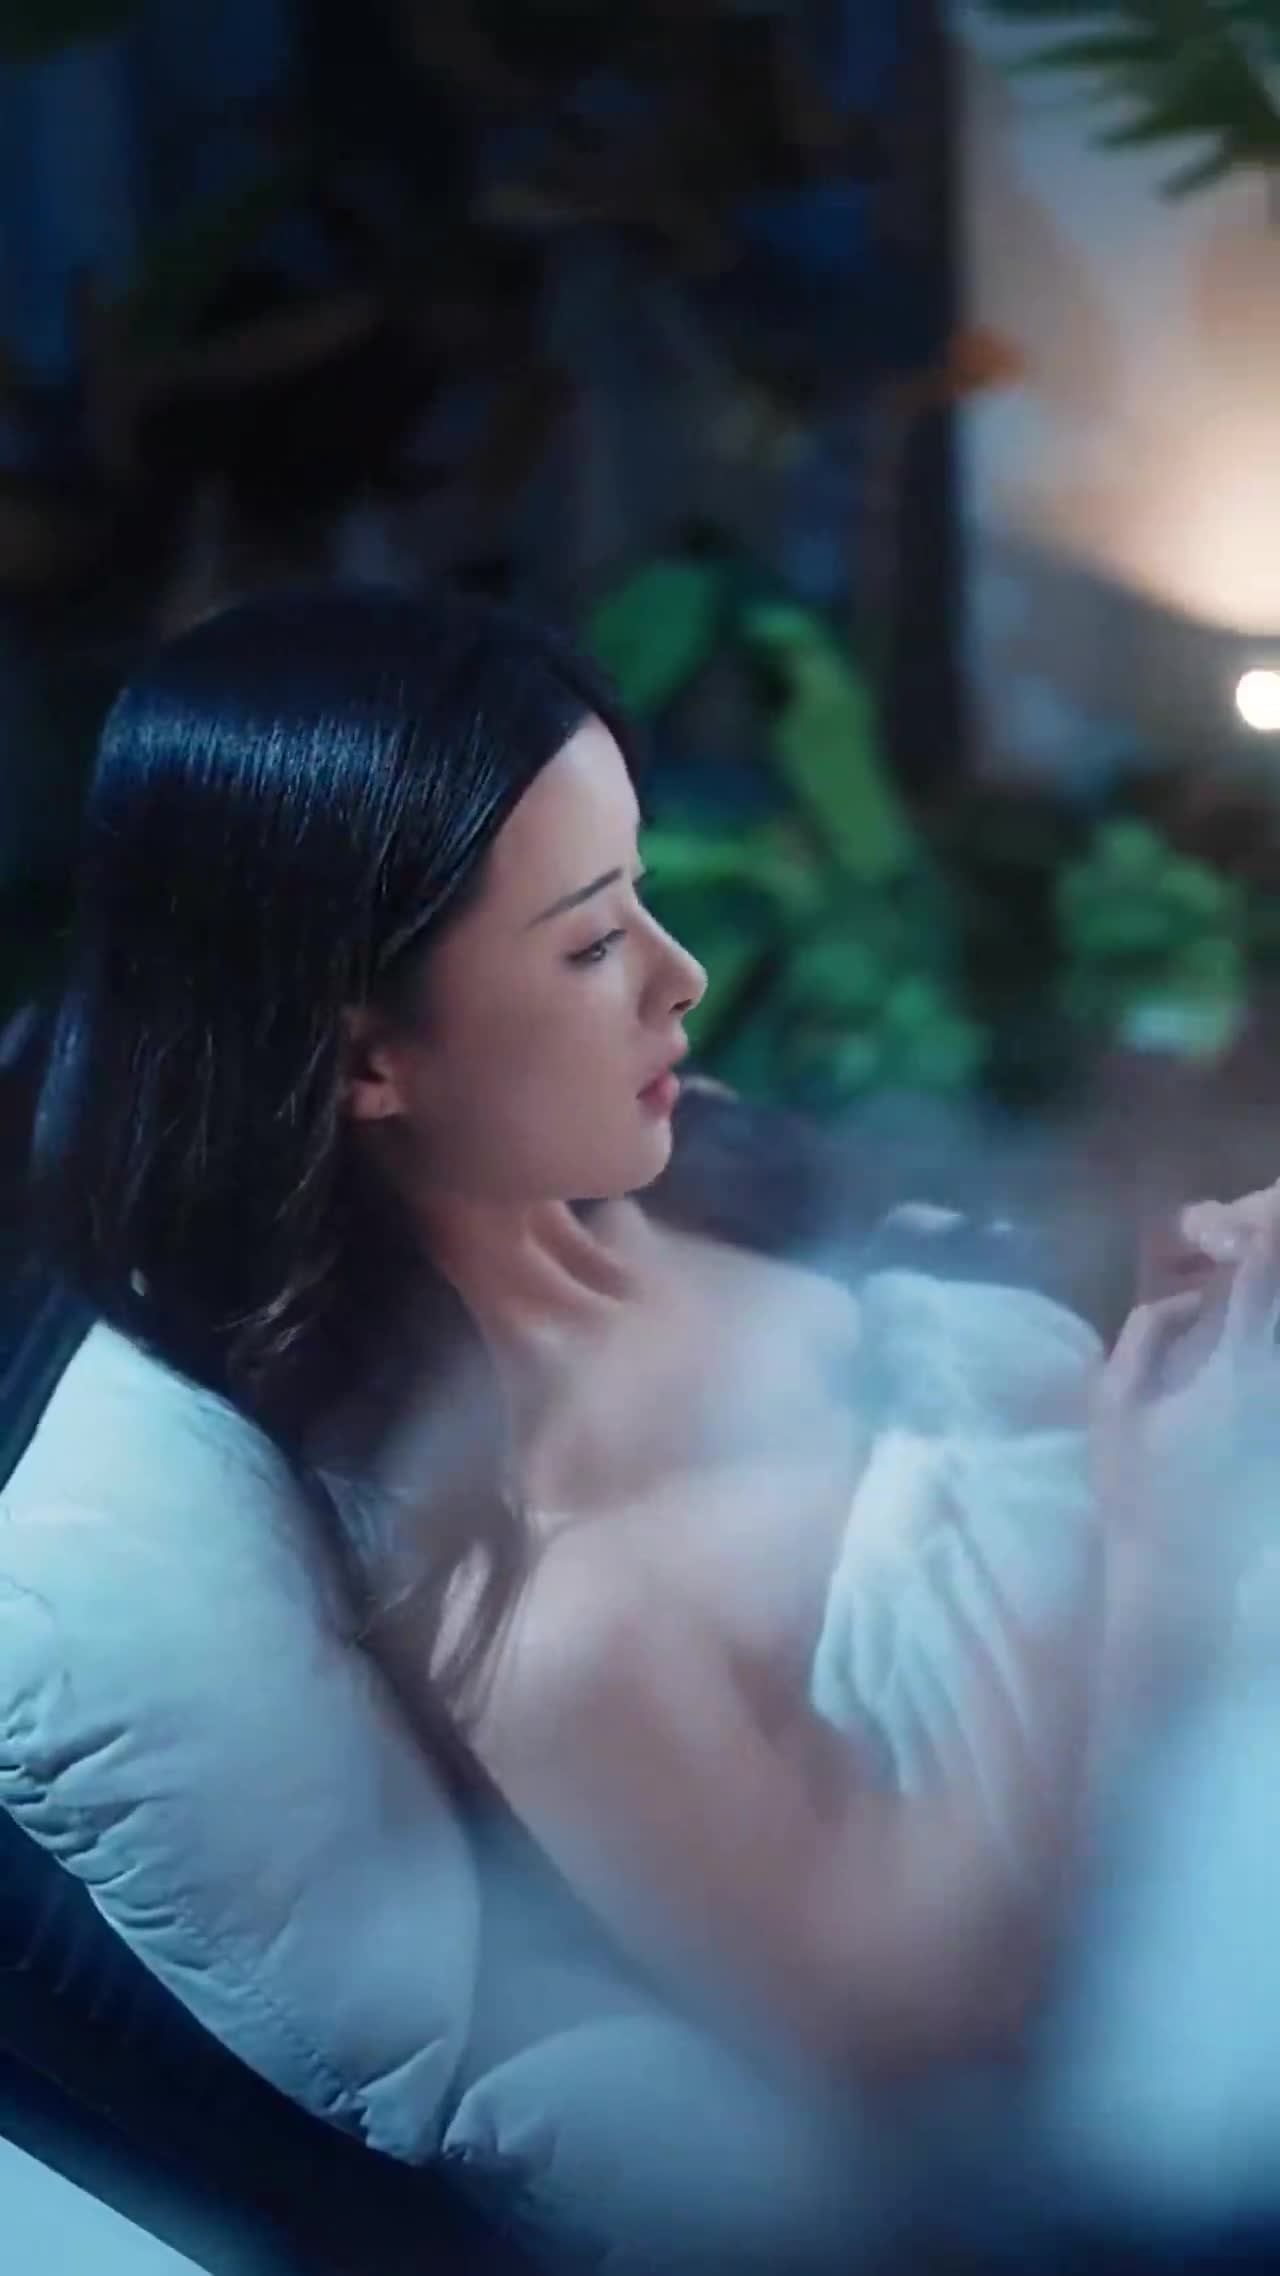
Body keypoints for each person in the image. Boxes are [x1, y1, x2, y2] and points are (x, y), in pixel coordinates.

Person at [30, 583, 1262, 2091]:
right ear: (367, 1062)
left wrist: (1181, 1291)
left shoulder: (685, 1165)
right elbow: (927, 2028)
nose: (683, 976)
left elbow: (1010, 1321)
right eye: (590, 942)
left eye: (642, 891)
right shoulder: (545, 1620)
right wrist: (1150, 1531)